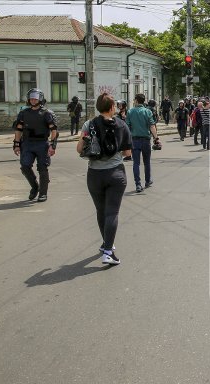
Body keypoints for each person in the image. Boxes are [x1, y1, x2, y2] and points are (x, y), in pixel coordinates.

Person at [76, 93, 132, 266]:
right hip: (115, 174)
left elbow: (79, 149)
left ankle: (106, 243)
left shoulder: (89, 124)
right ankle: (108, 251)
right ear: (112, 107)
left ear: (98, 107)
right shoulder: (122, 125)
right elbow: (127, 153)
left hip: (94, 174)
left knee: (101, 211)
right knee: (112, 212)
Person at [12, 88, 58, 202]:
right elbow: (18, 129)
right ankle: (35, 187)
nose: (33, 99)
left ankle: (43, 193)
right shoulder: (23, 113)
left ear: (40, 98)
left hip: (42, 143)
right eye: (31, 97)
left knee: (42, 167)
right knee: (25, 166)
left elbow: (54, 130)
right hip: (27, 143)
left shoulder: (46, 113)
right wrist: (16, 144)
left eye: (35, 97)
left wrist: (53, 145)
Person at [126, 94, 159, 193]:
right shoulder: (147, 111)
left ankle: (138, 184)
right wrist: (156, 138)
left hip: (134, 140)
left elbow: (127, 127)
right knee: (147, 162)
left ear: (136, 100)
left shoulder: (130, 112)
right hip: (146, 140)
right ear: (143, 101)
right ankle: (148, 181)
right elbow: (152, 126)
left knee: (136, 163)